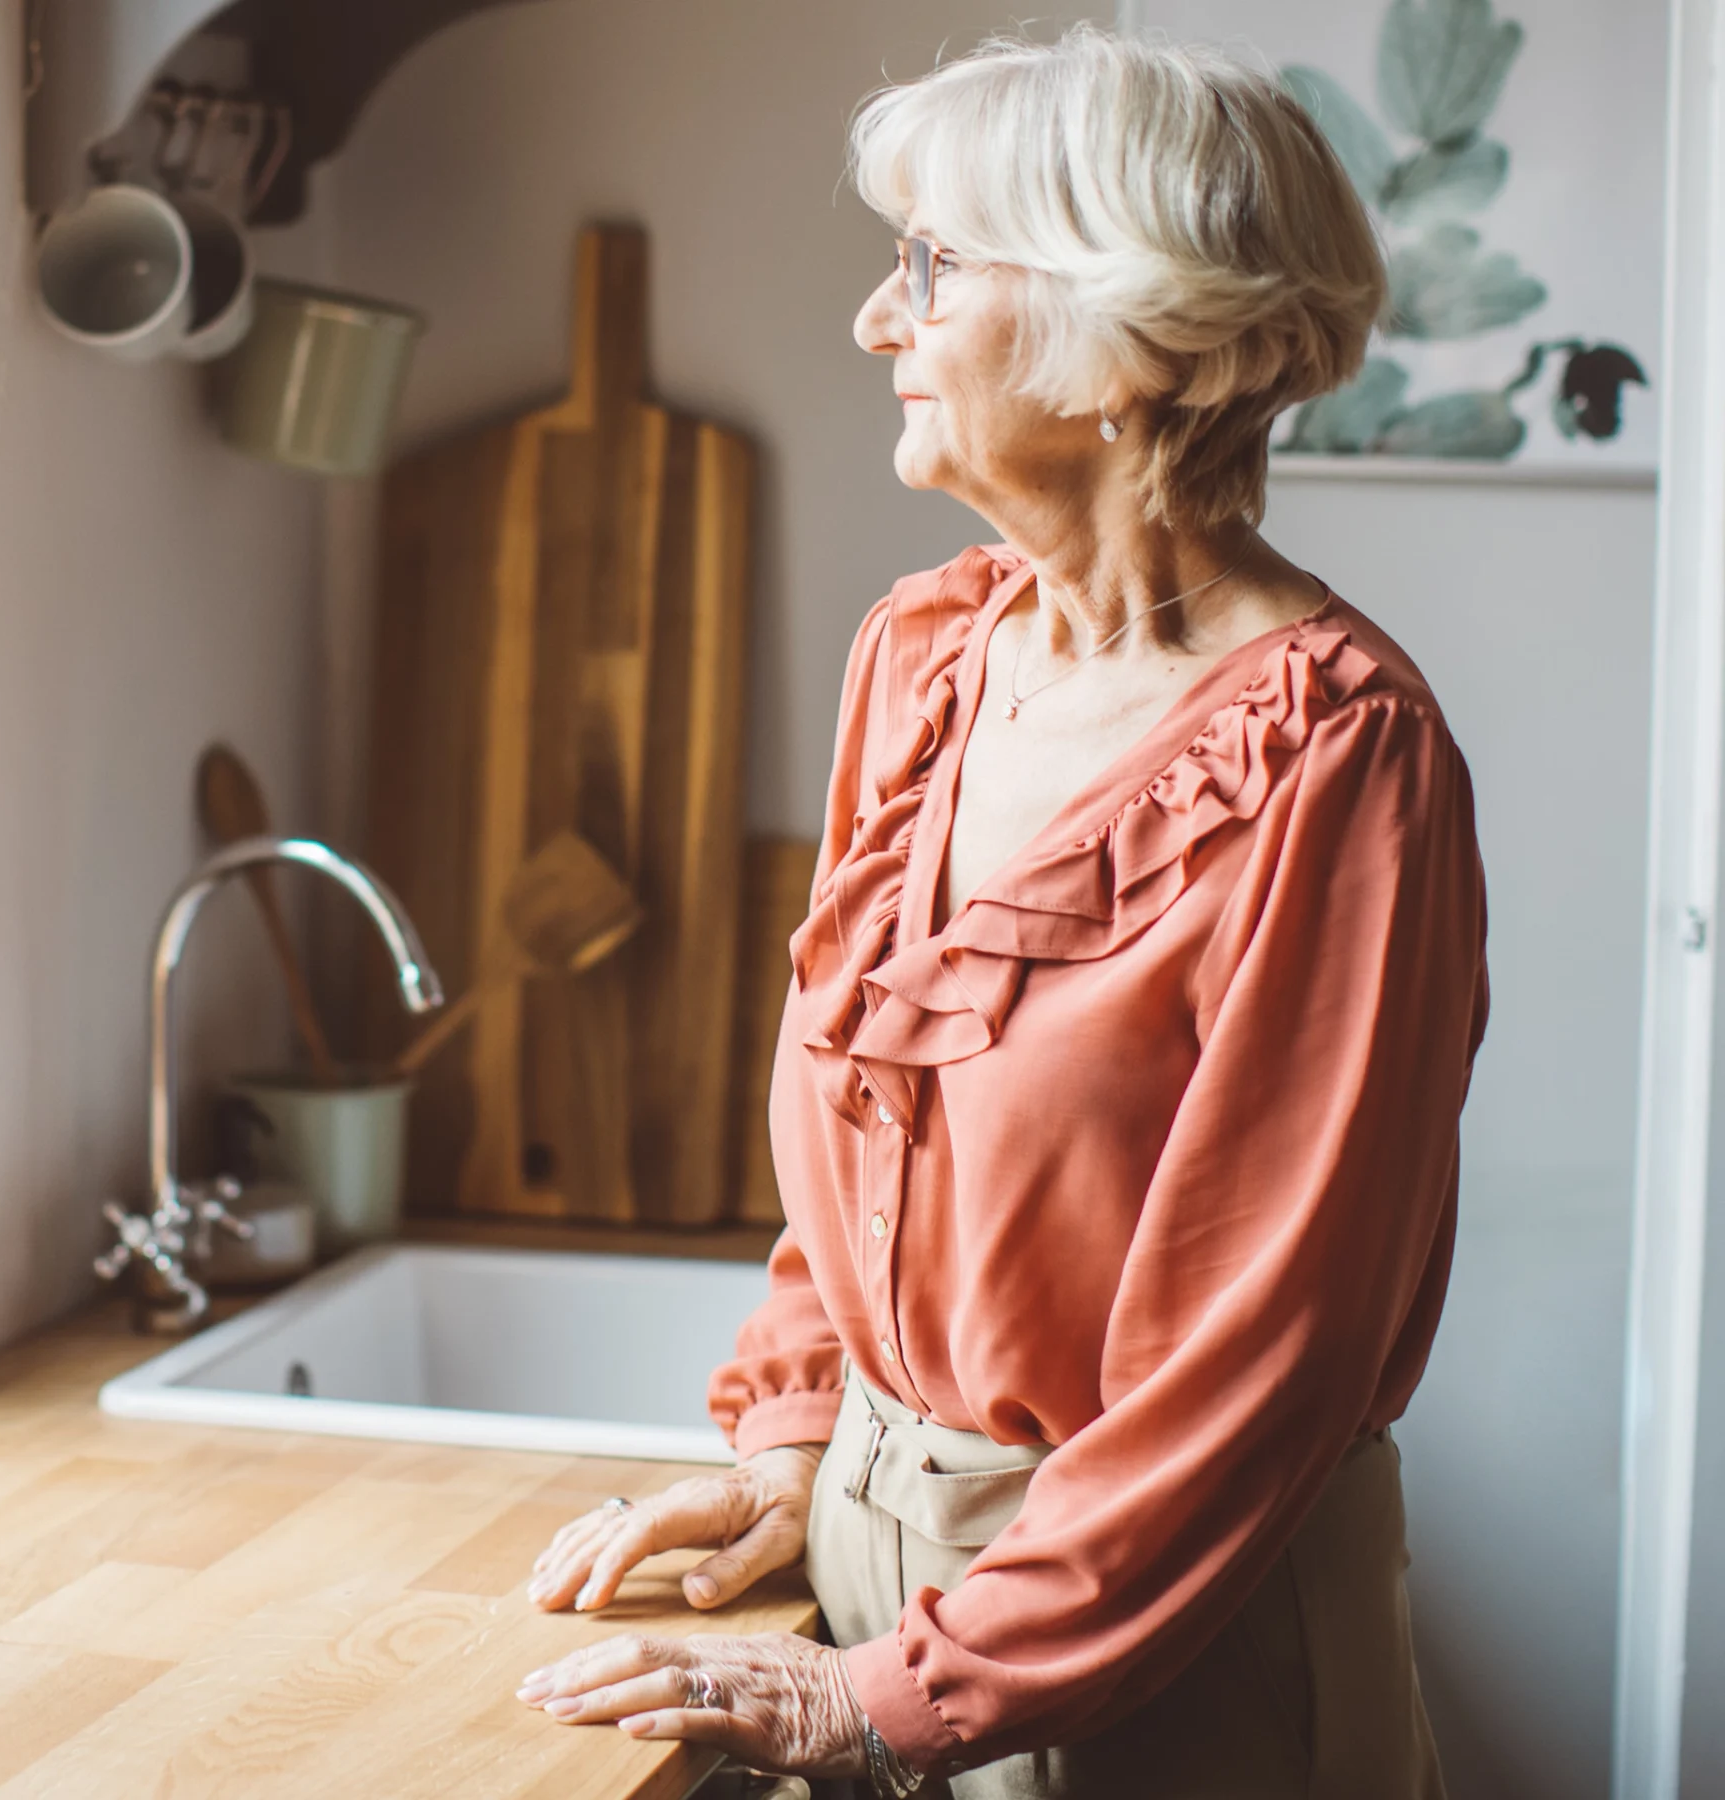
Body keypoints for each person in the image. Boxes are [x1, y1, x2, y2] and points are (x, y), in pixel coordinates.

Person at [516, 25, 1489, 1798]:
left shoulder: (1344, 757)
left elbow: (1254, 1369)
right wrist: (802, 1449)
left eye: (934, 265)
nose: (881, 321)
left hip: (1170, 1655)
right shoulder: (924, 660)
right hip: (884, 1598)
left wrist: (890, 1695)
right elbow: (861, 1162)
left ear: (1135, 343)